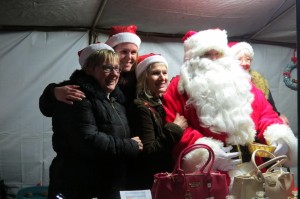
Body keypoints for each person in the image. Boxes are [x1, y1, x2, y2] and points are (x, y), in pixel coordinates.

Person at [162, 29, 298, 188]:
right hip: (210, 176)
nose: (213, 59)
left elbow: (264, 113)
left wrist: (277, 135)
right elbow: (177, 128)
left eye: (217, 54)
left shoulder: (243, 82)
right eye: (206, 55)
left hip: (254, 169)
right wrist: (208, 153)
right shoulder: (178, 88)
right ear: (192, 59)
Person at [47, 43, 143, 199]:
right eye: (107, 68)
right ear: (89, 69)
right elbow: (88, 140)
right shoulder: (76, 96)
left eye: (117, 68)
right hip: (80, 185)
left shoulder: (115, 99)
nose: (114, 74)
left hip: (109, 183)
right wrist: (130, 145)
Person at [39, 25, 141, 116]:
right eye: (124, 52)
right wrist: (53, 93)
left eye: (133, 52)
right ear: (111, 53)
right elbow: (48, 108)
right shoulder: (92, 76)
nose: (129, 57)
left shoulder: (139, 77)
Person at [126, 53, 187, 189]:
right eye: (155, 73)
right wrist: (175, 128)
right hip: (149, 182)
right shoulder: (140, 106)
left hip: (163, 178)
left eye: (164, 73)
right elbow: (150, 151)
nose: (162, 78)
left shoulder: (161, 104)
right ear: (144, 78)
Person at [229, 41, 290, 125]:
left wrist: (278, 117)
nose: (245, 63)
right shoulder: (223, 84)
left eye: (248, 59)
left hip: (258, 128)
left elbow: (270, 106)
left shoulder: (259, 82)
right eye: (239, 59)